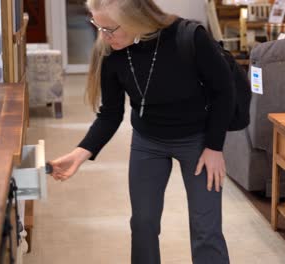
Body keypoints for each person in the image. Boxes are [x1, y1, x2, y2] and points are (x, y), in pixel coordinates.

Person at [49, 0, 235, 263]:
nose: (104, 36)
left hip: (198, 140)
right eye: (98, 27)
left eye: (110, 29)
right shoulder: (111, 51)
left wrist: (215, 147)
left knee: (206, 228)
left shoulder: (189, 37)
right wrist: (80, 154)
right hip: (148, 141)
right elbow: (111, 112)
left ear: (135, 19)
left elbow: (224, 91)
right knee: (143, 225)